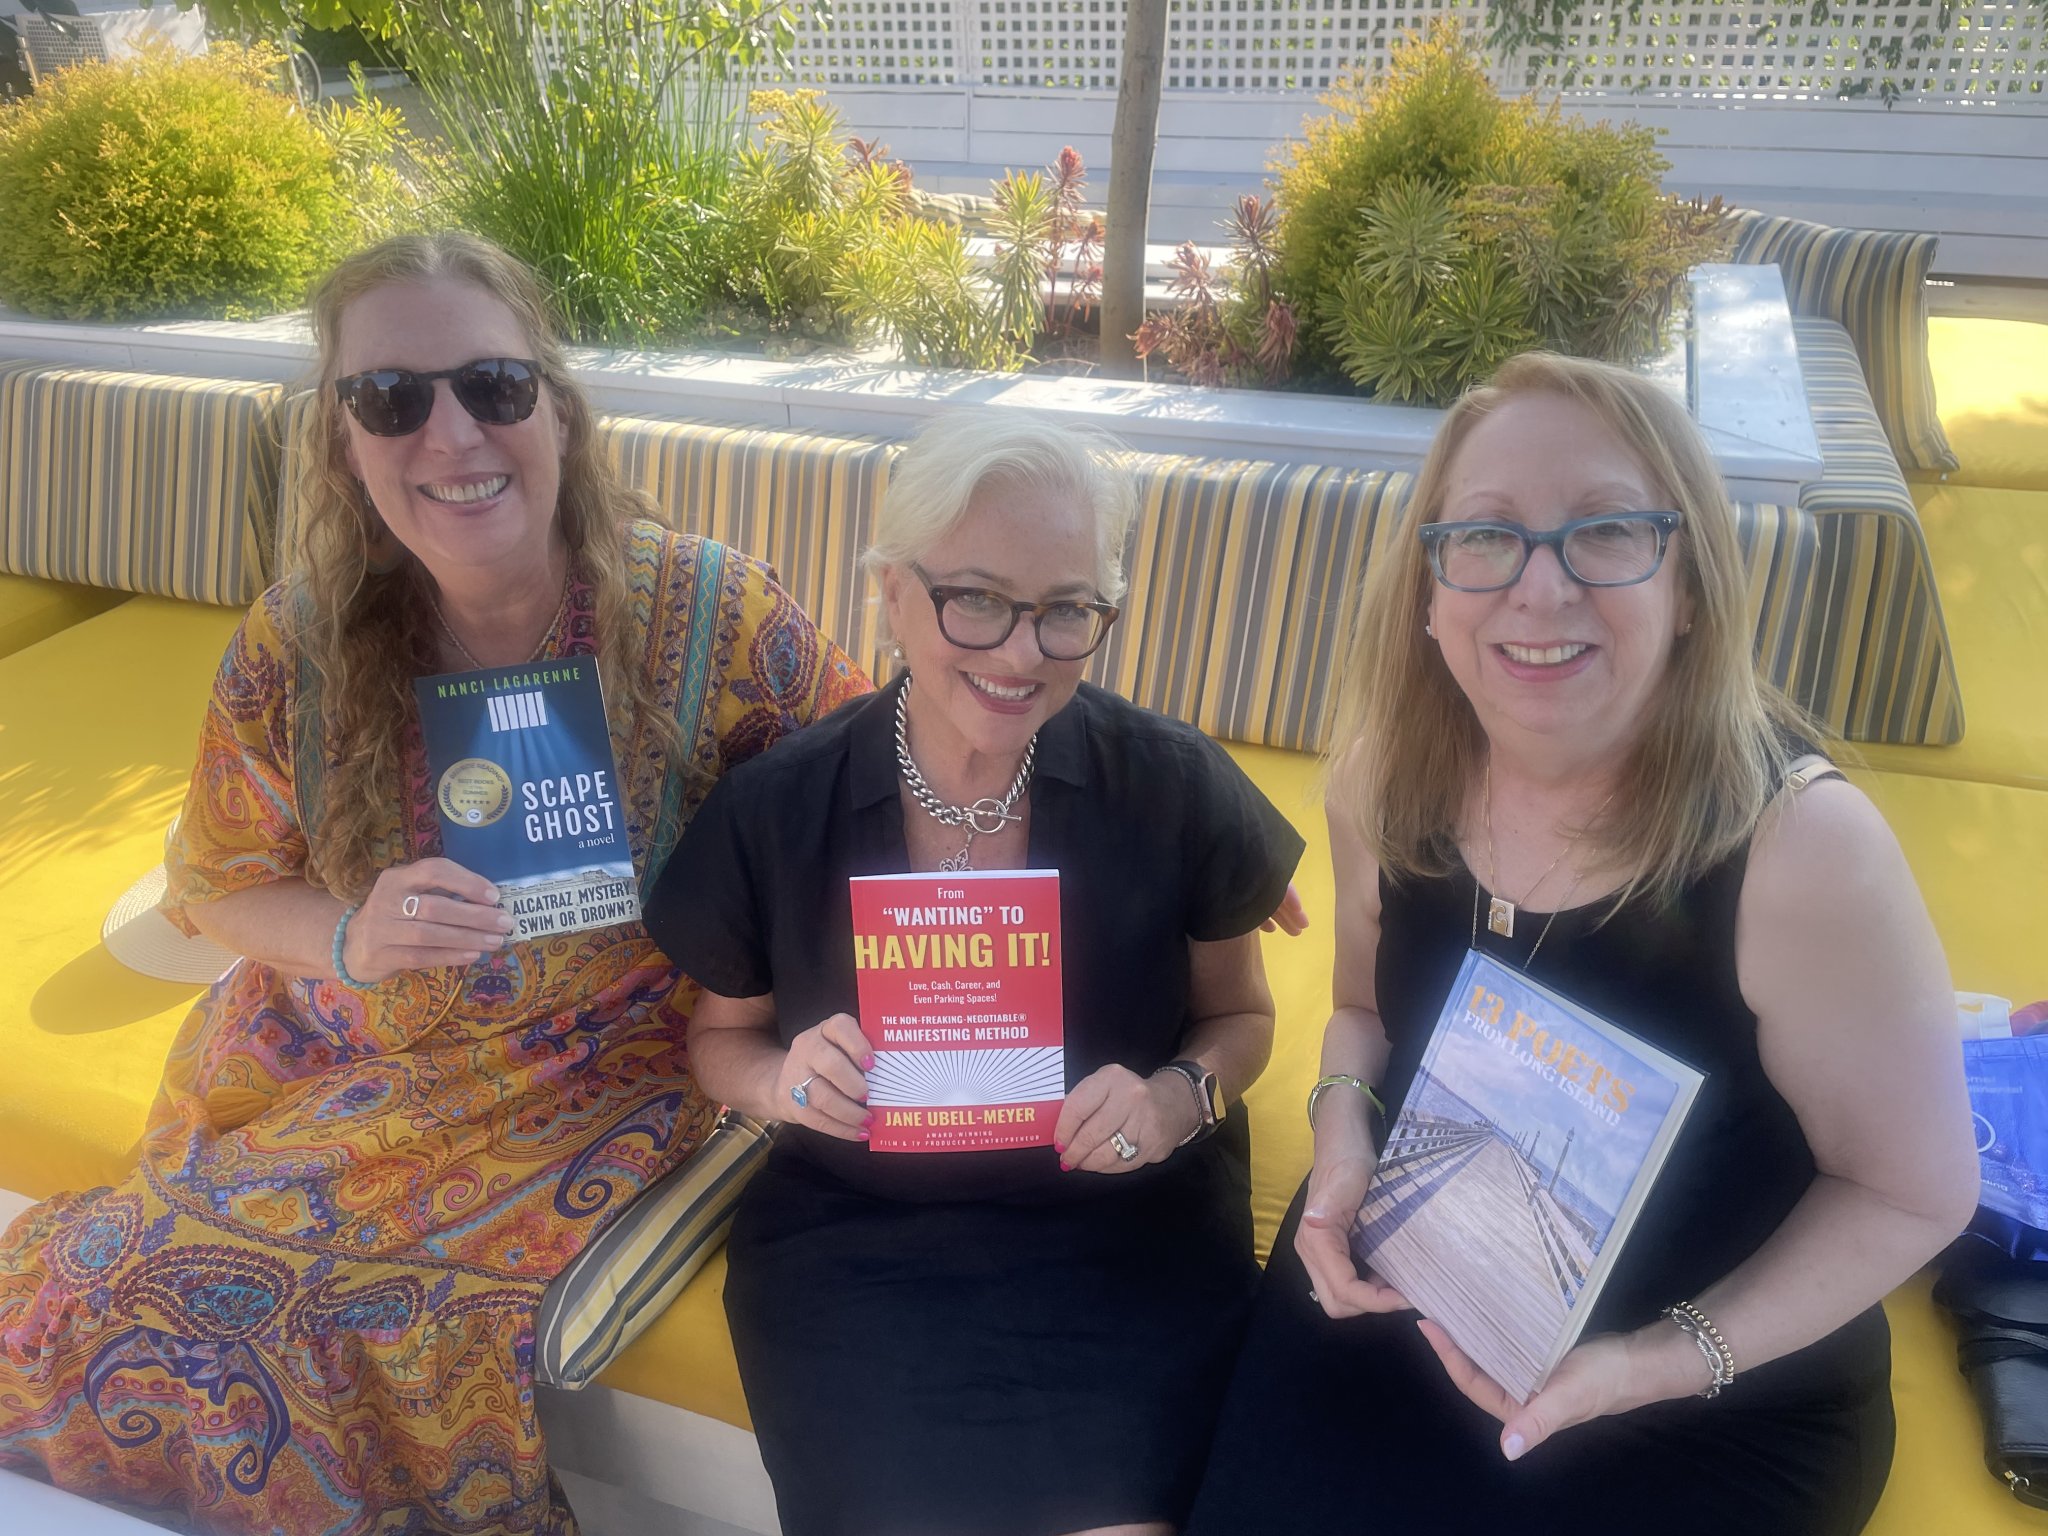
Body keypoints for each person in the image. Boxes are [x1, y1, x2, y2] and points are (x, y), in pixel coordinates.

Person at [0, 231, 864, 1534]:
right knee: (124, 1290)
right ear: (345, 439)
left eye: (494, 388)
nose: (451, 435)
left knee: (347, 1320)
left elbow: (882, 788)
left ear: (558, 410)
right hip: (328, 1058)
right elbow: (217, 887)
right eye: (391, 398)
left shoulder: (714, 610)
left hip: (595, 1068)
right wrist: (349, 934)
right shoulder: (293, 643)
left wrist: (1158, 841)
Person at [1185, 353, 1980, 1536]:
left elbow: (1912, 1194)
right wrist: (1344, 1131)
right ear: (1429, 585)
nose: (1539, 590)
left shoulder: (1799, 850)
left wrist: (1653, 1361)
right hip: (1405, 1291)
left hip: (1704, 1391)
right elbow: (1358, 1016)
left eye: (1606, 531)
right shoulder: (1382, 785)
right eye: (1486, 537)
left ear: (1690, 584)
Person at [643, 412, 1307, 1536]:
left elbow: (1238, 1015)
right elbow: (720, 1040)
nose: (1019, 653)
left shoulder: (1170, 782)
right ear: (893, 593)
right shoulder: (781, 806)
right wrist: (782, 1084)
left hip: (1121, 1232)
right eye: (977, 600)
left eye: (1065, 612)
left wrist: (1174, 1098)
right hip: (861, 1238)